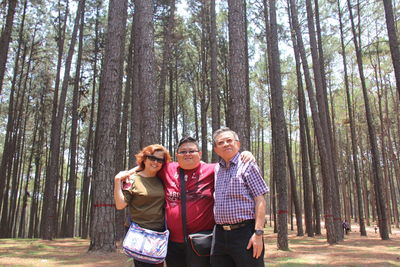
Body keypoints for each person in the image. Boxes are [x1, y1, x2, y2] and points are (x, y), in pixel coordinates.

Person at [211, 127, 269, 267]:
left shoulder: (248, 164)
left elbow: (259, 199)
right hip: (219, 235)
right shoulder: (216, 169)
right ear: (216, 149)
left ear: (238, 144)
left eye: (229, 140)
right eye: (221, 143)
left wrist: (258, 233)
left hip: (244, 233)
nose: (226, 144)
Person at [114, 144, 171, 267]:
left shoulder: (162, 179)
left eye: (160, 160)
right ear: (145, 158)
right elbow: (120, 205)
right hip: (140, 234)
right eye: (152, 158)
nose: (156, 162)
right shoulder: (132, 180)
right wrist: (117, 181)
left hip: (159, 233)